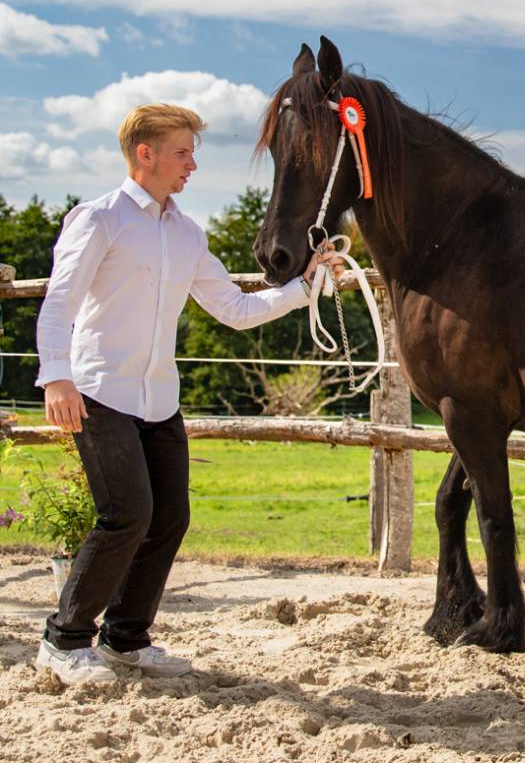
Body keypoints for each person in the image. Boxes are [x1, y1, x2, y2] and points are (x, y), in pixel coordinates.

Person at [34, 103, 342, 684]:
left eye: (193, 153)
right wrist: (57, 376)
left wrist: (306, 287)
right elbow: (60, 304)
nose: (193, 164)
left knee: (170, 517)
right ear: (144, 154)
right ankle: (64, 639)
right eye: (183, 152)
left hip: (160, 400)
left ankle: (125, 637)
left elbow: (234, 308)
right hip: (100, 392)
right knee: (126, 515)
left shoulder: (186, 233)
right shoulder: (98, 220)